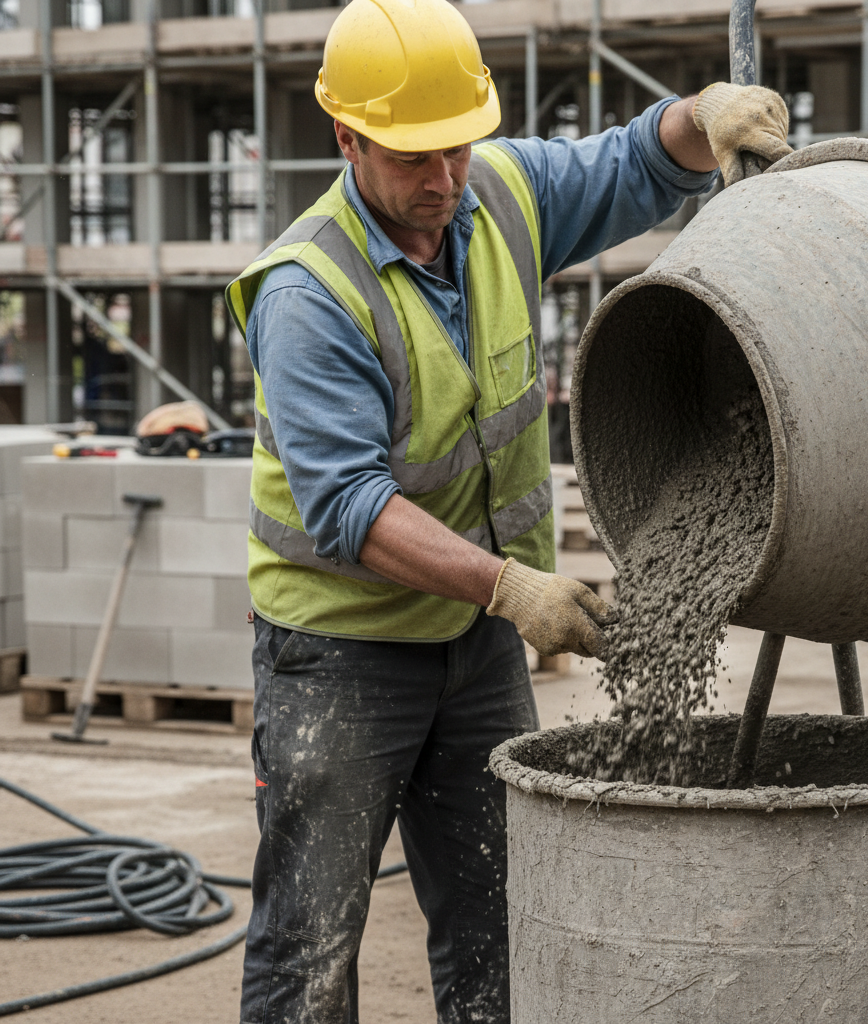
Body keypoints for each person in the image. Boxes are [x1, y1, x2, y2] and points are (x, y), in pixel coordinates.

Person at [226, 0, 791, 1019]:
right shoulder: (310, 295)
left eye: (456, 147)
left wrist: (697, 120)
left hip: (474, 645)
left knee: (500, 917)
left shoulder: (497, 197)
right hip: (342, 653)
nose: (442, 180)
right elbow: (349, 505)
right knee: (309, 941)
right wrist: (512, 587)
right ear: (347, 139)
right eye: (412, 159)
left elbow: (627, 165)